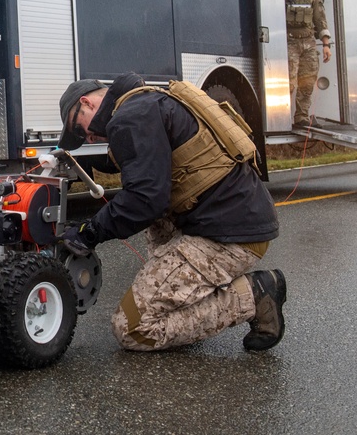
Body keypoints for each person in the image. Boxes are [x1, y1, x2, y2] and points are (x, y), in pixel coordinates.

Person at [56, 73, 285, 352]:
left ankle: (255, 294)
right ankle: (186, 291)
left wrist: (88, 232)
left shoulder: (131, 116)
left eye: (79, 129)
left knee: (132, 328)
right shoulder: (143, 101)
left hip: (230, 235)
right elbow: (140, 161)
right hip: (235, 215)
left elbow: (144, 199)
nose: (86, 137)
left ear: (87, 103)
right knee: (155, 218)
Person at [284, 0, 331, 129]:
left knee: (308, 82)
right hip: (289, 42)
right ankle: (282, 117)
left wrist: (326, 45)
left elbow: (320, 20)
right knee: (288, 82)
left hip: (309, 42)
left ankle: (302, 117)